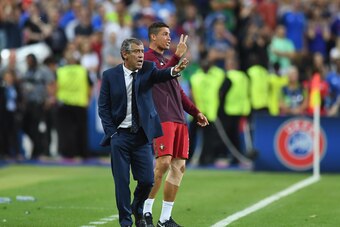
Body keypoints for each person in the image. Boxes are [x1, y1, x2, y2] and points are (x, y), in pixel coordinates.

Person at [98, 38, 189, 227]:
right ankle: (126, 223)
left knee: (147, 181)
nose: (141, 55)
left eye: (141, 51)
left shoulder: (148, 69)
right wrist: (112, 133)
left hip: (141, 137)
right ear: (125, 54)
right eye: (137, 52)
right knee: (122, 183)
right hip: (120, 137)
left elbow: (161, 75)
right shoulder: (110, 76)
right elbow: (103, 107)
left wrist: (175, 70)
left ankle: (138, 209)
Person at [142, 22, 209, 227]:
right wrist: (177, 57)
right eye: (164, 34)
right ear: (153, 37)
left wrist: (195, 112)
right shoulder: (147, 59)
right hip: (162, 117)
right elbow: (159, 77)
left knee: (179, 167)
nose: (169, 38)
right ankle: (144, 210)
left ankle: (164, 219)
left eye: (169, 34)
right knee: (163, 162)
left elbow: (177, 91)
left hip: (179, 118)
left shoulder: (166, 60)